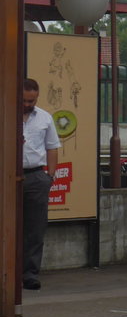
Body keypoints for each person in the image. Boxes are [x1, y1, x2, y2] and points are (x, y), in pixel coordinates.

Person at [22, 77, 60, 290]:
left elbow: (52, 147)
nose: (27, 105)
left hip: (37, 176)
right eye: (24, 100)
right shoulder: (6, 113)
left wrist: (50, 176)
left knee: (35, 228)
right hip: (9, 176)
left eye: (31, 101)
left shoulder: (44, 118)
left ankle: (30, 274)